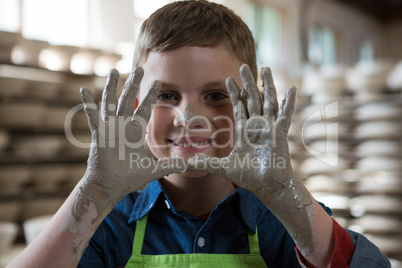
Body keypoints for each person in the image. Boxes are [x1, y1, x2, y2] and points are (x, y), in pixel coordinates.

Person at [8, 1, 390, 267]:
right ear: (135, 103)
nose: (189, 116)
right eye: (166, 95)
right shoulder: (111, 225)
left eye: (215, 96)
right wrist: (93, 192)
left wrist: (284, 191)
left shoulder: (282, 221)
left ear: (250, 102)